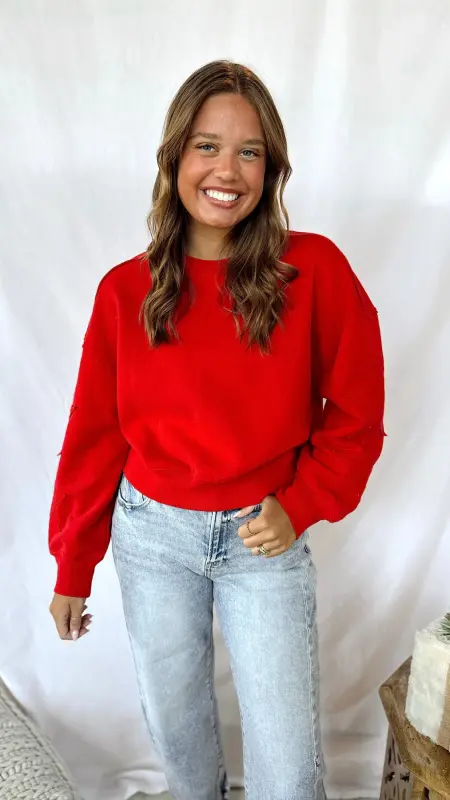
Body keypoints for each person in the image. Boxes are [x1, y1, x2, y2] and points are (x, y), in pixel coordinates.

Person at [48, 60, 385, 800]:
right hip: (150, 538)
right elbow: (94, 434)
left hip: (262, 537)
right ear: (175, 156)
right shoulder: (126, 291)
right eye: (207, 146)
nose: (226, 170)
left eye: (249, 151)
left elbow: (358, 415)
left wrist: (302, 503)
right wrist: (73, 562)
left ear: (272, 168)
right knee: (180, 742)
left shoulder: (314, 271)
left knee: (289, 772)